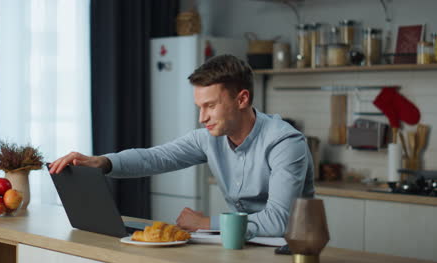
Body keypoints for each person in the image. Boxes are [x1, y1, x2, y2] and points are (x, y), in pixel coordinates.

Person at [49, 54, 314, 237]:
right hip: (239, 247)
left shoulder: (284, 142)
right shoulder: (209, 138)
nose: (202, 117)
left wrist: (205, 223)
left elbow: (280, 221)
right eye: (200, 107)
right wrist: (102, 162)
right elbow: (153, 158)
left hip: (289, 253)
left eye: (210, 105)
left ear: (242, 99)